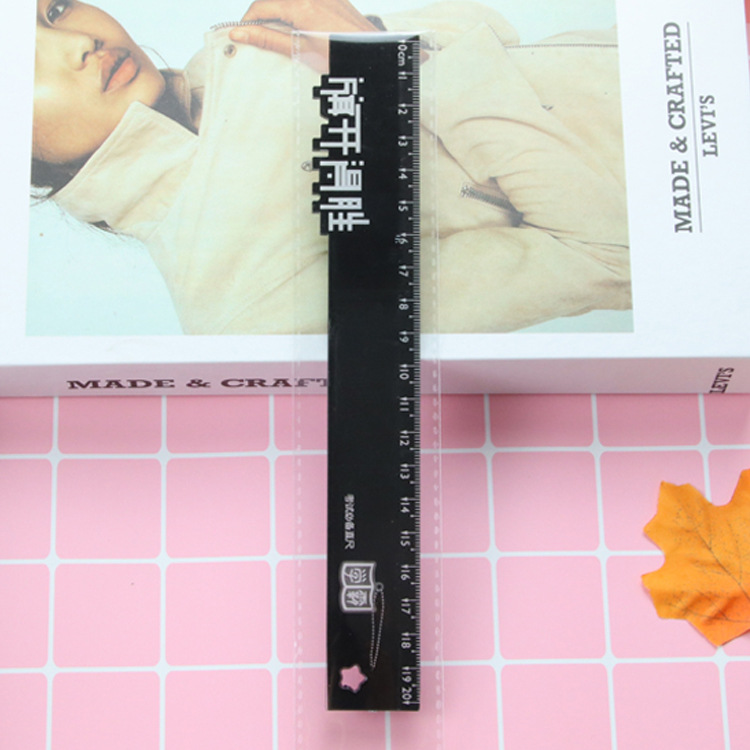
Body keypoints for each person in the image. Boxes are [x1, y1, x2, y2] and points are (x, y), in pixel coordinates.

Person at [31, 0, 631, 334]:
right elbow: (614, 256)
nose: (78, 43)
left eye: (54, 9)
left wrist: (378, 45)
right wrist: (396, 64)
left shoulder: (237, 53)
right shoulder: (248, 303)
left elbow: (501, 40)